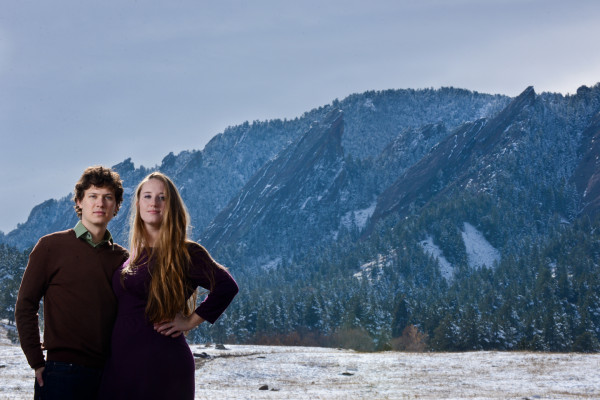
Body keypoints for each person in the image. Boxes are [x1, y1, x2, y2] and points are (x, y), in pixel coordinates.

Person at [99, 172, 238, 399]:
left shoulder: (186, 252)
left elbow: (226, 286)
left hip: (163, 368)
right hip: (120, 369)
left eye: (162, 197)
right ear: (138, 204)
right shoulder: (131, 256)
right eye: (148, 196)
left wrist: (189, 321)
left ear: (171, 206)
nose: (154, 203)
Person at [15, 166, 128, 400]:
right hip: (60, 374)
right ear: (79, 201)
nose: (100, 203)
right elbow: (25, 305)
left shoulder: (123, 259)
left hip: (110, 376)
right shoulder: (50, 247)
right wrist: (36, 361)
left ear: (116, 206)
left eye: (108, 197)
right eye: (93, 196)